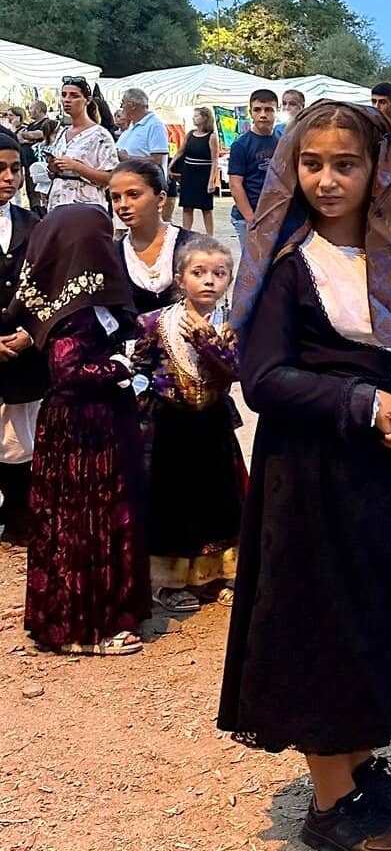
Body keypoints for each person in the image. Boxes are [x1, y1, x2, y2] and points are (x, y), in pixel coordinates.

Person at [217, 102, 391, 851]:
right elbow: (262, 379)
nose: (326, 180)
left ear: (377, 171)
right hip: (312, 475)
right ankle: (331, 808)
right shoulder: (289, 267)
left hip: (390, 479)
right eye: (312, 164)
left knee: (378, 619)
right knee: (319, 627)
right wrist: (360, 400)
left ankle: (357, 763)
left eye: (344, 165)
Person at [14, 204, 150, 656]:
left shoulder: (89, 302)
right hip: (82, 432)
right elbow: (68, 370)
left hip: (99, 426)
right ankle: (83, 627)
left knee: (101, 517)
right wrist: (121, 366)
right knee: (85, 521)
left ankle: (97, 615)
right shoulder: (72, 311)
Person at [132, 236, 243, 614]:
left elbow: (237, 370)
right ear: (180, 279)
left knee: (218, 497)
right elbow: (140, 367)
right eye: (199, 273)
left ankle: (214, 576)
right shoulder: (154, 323)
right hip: (169, 425)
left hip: (212, 423)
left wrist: (205, 337)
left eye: (219, 273)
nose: (209, 281)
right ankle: (169, 583)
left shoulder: (232, 329)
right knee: (171, 500)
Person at [0, 132, 47, 544]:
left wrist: (31, 334)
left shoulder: (33, 226)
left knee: (19, 437)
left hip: (21, 351)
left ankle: (17, 513)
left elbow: (50, 287)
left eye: (15, 169)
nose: (9, 177)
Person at [110, 161, 197, 314]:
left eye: (133, 195)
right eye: (116, 198)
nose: (123, 204)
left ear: (161, 199)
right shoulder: (112, 256)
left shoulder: (193, 246)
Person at [46, 76, 118, 212]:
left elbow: (112, 177)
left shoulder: (100, 135)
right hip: (58, 203)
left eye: (74, 96)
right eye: (64, 95)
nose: (67, 99)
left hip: (86, 206)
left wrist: (76, 166)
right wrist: (53, 168)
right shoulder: (62, 132)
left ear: (87, 100)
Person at [228, 90, 279, 248]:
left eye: (269, 109)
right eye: (257, 110)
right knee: (253, 267)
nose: (263, 115)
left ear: (277, 111)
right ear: (250, 113)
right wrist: (251, 219)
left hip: (275, 215)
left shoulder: (283, 141)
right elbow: (235, 185)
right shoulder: (241, 145)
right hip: (248, 216)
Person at [170, 107, 220, 234]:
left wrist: (211, 181)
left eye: (197, 116)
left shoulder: (211, 137)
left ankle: (210, 235)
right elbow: (180, 151)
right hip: (189, 173)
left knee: (206, 208)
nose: (194, 118)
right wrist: (170, 165)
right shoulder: (190, 134)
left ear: (205, 118)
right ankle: (186, 233)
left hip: (203, 173)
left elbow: (214, 161)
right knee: (187, 207)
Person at [116, 88, 170, 173]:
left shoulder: (155, 126)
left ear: (132, 105)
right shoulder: (132, 124)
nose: (121, 107)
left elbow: (157, 160)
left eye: (123, 103)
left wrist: (128, 158)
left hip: (143, 183)